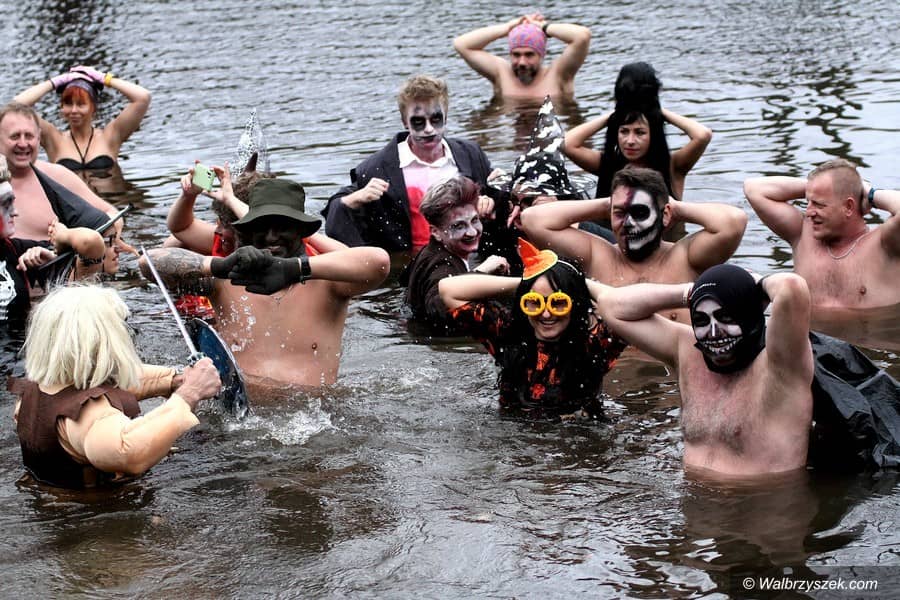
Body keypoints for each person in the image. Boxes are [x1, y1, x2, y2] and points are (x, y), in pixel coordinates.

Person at [141, 178, 390, 387]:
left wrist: (293, 269)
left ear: (301, 231)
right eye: (261, 227)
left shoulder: (328, 282)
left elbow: (379, 262)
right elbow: (149, 263)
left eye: (283, 227)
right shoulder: (226, 279)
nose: (271, 237)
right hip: (242, 415)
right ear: (247, 231)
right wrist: (217, 266)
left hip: (313, 414)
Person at [590, 264, 814, 476]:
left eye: (725, 317)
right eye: (702, 320)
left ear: (748, 314)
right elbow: (612, 308)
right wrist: (690, 292)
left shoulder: (782, 365)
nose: (714, 332)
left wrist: (757, 285)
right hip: (691, 500)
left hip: (763, 501)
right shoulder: (687, 351)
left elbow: (791, 288)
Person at [13, 285, 221, 489]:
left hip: (47, 500)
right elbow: (128, 452)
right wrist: (189, 394)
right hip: (100, 508)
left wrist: (175, 379)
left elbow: (116, 381)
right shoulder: (90, 415)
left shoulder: (34, 391)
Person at [520, 167, 747, 322]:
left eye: (639, 212)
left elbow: (733, 222)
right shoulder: (596, 256)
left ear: (665, 215)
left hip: (671, 377)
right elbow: (533, 219)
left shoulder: (687, 258)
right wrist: (608, 205)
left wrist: (675, 207)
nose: (628, 223)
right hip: (615, 377)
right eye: (620, 213)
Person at [439, 239, 626, 420]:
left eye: (558, 302)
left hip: (579, 433)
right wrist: (525, 283)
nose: (546, 314)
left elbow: (623, 305)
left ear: (575, 304)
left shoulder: (595, 343)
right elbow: (448, 289)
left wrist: (578, 283)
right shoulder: (508, 334)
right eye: (535, 302)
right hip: (512, 433)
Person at [322, 75, 493, 254]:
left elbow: (498, 194)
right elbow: (335, 212)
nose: (429, 129)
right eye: (418, 122)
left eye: (436, 119)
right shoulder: (378, 168)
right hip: (411, 263)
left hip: (471, 254)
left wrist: (490, 201)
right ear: (405, 122)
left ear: (446, 117)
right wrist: (355, 199)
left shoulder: (470, 154)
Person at [744, 159, 900, 309]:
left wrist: (870, 194)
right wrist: (817, 186)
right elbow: (754, 189)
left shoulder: (885, 244)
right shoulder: (802, 233)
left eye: (819, 204)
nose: (809, 212)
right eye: (808, 202)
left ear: (848, 207)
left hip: (871, 328)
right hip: (807, 329)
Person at [564, 62, 712, 201]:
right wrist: (616, 113)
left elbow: (702, 135)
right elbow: (566, 143)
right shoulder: (607, 165)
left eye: (640, 133)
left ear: (653, 135)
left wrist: (657, 111)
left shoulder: (673, 166)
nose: (630, 141)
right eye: (624, 131)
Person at [402, 175, 509, 335]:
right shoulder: (442, 266)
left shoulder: (430, 251)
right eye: (459, 226)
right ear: (435, 232)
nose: (472, 232)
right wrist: (482, 272)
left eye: (475, 220)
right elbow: (438, 304)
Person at [0, 102, 116, 241]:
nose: (23, 144)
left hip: (56, 253)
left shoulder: (58, 176)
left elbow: (111, 214)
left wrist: (100, 241)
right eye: (15, 136)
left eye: (29, 136)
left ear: (39, 137)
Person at [12, 66, 151, 172]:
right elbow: (17, 105)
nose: (74, 110)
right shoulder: (54, 139)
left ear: (93, 107)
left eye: (81, 104)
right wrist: (56, 81)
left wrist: (105, 78)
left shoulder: (111, 135)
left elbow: (143, 97)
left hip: (110, 199)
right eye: (68, 104)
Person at [453, 12, 591, 100]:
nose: (522, 62)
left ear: (541, 55)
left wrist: (543, 27)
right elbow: (461, 44)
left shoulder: (559, 74)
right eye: (516, 55)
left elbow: (582, 36)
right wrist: (507, 28)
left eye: (529, 55)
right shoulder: (501, 73)